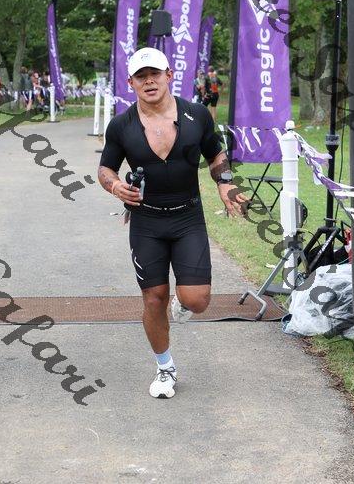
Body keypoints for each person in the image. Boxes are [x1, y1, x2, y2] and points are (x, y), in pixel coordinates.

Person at [98, 47, 248, 399]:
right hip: (146, 221)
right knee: (154, 299)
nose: (149, 81)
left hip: (187, 218)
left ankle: (184, 302)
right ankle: (165, 367)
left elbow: (216, 154)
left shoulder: (196, 115)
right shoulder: (121, 125)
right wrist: (116, 186)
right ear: (130, 83)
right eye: (141, 76)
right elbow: (105, 169)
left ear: (169, 75)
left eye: (155, 74)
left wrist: (225, 183)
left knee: (197, 301)